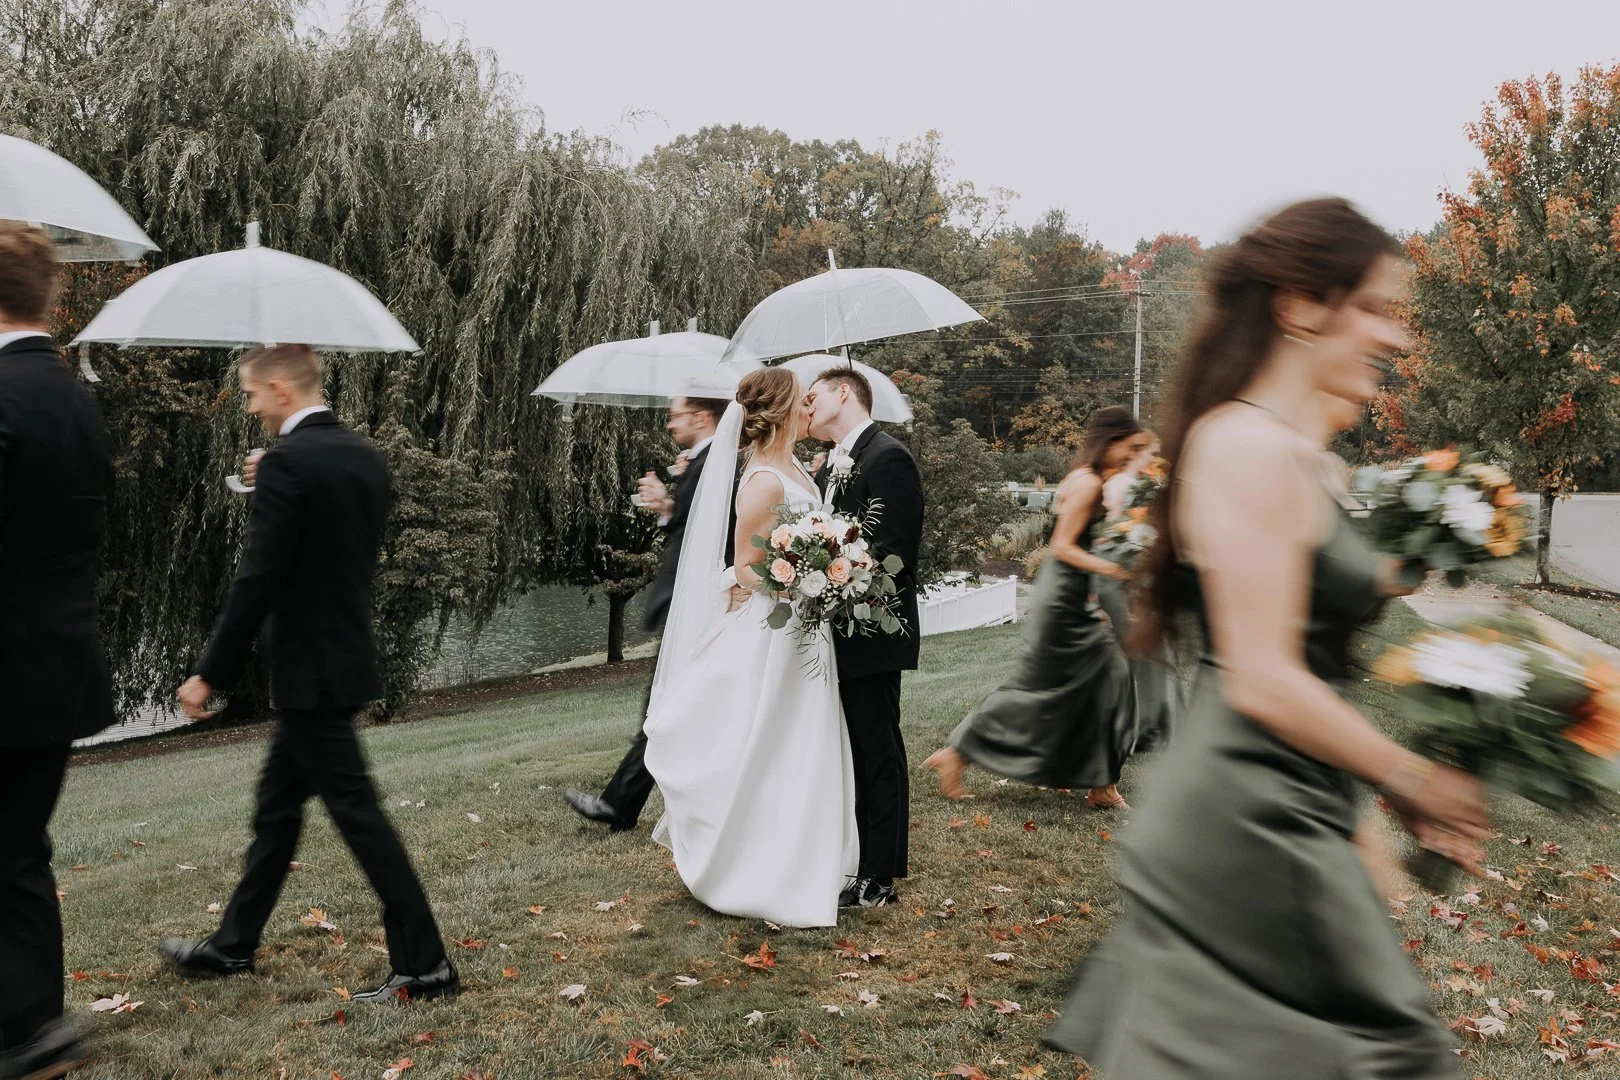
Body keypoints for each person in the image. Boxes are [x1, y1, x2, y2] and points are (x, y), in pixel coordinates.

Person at [1043, 198, 1488, 1078]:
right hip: (1248, 806)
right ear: (1299, 306)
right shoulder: (1245, 445)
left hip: (1293, 791)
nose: (1392, 339)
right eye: (1373, 310)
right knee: (1379, 1053)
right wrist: (1412, 778)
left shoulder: (1299, 454)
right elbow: (1261, 677)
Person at [161, 344, 458, 1004]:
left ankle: (427, 964)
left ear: (282, 391)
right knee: (276, 811)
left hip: (309, 669)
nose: (250, 406)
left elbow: (260, 578)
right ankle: (233, 946)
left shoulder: (291, 464)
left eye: (251, 395)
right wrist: (281, 476)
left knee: (360, 817)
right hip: (342, 656)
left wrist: (209, 673)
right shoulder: (361, 457)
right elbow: (337, 545)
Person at [642, 368, 859, 927]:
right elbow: (744, 565)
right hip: (775, 628)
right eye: (803, 401)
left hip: (805, 628)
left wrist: (831, 574)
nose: (811, 407)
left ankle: (809, 859)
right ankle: (754, 866)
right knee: (771, 742)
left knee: (804, 741)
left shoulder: (799, 471)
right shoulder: (762, 479)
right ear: (784, 411)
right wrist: (803, 583)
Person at [0, 223, 116, 1080]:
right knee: (17, 848)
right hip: (59, 662)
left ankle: (33, 1027)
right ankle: (34, 1024)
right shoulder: (78, 399)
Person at [923, 407, 1142, 809]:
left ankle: (1100, 783)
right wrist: (1111, 567)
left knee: (1089, 682)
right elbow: (1062, 545)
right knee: (1065, 685)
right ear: (1112, 441)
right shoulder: (1089, 483)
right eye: (1129, 448)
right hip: (1063, 602)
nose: (1131, 456)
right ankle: (960, 751)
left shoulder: (1088, 478)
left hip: (1070, 594)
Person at [564, 394, 729, 831]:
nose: (671, 424)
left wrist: (668, 505)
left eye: (676, 416)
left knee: (664, 711)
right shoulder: (703, 460)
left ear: (701, 415)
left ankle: (621, 804)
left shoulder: (716, 460)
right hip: (688, 602)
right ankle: (622, 803)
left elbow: (710, 535)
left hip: (695, 604)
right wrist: (669, 505)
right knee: (666, 710)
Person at [806, 367, 925, 909]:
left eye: (813, 397)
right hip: (841, 625)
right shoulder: (834, 464)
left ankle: (880, 877)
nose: (806, 408)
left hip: (874, 626)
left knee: (878, 748)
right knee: (854, 749)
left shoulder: (888, 457)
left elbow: (893, 552)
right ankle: (859, 862)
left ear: (842, 394)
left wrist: (835, 573)